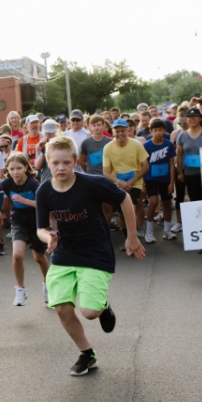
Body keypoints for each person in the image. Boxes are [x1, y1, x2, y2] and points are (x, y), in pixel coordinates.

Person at [36, 136, 145, 376]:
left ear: (75, 161)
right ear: (48, 164)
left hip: (95, 251)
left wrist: (132, 236)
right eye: (55, 163)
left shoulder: (92, 183)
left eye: (66, 162)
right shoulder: (44, 190)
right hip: (64, 253)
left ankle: (103, 306)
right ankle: (87, 354)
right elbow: (41, 228)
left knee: (89, 312)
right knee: (62, 309)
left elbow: (124, 198)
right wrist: (49, 238)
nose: (61, 167)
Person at [0, 152, 50, 306]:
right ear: (7, 170)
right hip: (18, 221)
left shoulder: (34, 184)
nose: (15, 172)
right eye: (11, 169)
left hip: (36, 222)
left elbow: (45, 206)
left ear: (25, 168)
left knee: (39, 258)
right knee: (17, 255)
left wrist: (24, 200)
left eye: (18, 168)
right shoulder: (7, 183)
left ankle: (48, 285)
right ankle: (20, 290)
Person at [103, 119, 149, 243]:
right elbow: (106, 172)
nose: (120, 133)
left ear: (127, 130)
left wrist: (133, 180)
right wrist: (120, 182)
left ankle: (134, 237)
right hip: (118, 185)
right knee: (122, 213)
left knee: (131, 209)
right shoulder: (108, 148)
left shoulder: (136, 144)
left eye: (122, 130)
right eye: (117, 131)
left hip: (135, 183)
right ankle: (127, 238)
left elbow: (145, 166)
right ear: (113, 132)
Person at [142, 118, 177, 242]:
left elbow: (172, 164)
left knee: (167, 203)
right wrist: (143, 183)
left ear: (164, 131)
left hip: (165, 178)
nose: (158, 133)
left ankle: (167, 230)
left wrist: (172, 182)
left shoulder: (168, 144)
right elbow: (143, 165)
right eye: (155, 130)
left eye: (160, 130)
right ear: (151, 131)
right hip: (150, 178)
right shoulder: (146, 146)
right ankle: (149, 231)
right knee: (153, 202)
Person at [175, 107, 202, 204]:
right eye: (189, 117)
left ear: (200, 118)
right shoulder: (182, 136)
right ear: (186, 119)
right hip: (190, 173)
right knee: (195, 200)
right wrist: (180, 173)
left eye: (195, 116)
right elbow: (179, 155)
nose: (192, 119)